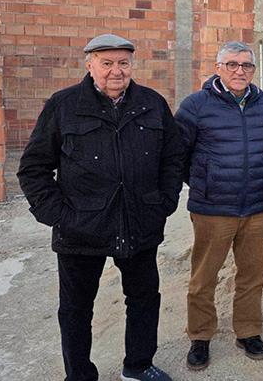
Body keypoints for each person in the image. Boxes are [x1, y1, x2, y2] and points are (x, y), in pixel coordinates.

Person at [18, 34, 184, 381]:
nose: (115, 71)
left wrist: (163, 202)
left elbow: (173, 156)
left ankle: (138, 366)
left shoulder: (152, 103)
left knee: (143, 299)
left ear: (131, 65)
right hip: (81, 229)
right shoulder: (64, 106)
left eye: (123, 63)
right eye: (106, 63)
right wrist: (59, 215)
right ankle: (79, 375)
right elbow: (34, 168)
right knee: (76, 309)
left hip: (139, 221)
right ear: (89, 64)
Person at [175, 41, 263, 371]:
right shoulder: (195, 105)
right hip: (212, 209)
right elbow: (178, 155)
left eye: (246, 65)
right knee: (204, 276)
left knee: (252, 273)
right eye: (232, 64)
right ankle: (200, 336)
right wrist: (204, 184)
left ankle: (248, 331)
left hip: (257, 207)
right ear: (218, 67)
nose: (240, 71)